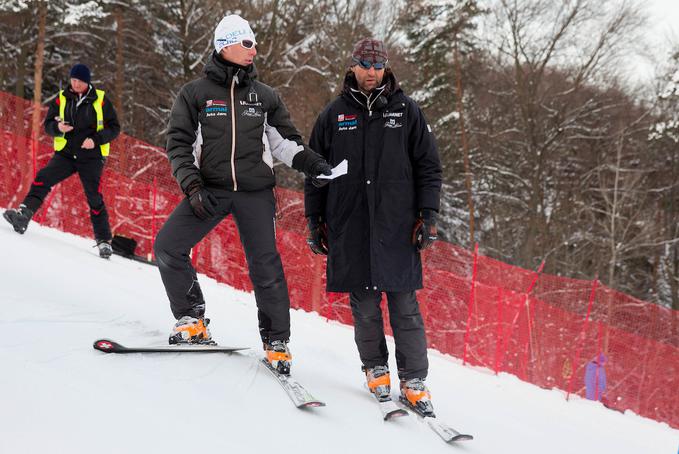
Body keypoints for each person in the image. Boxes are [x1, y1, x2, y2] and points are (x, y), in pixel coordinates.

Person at [154, 14, 331, 375]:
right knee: (168, 246)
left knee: (265, 266)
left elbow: (285, 143)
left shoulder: (264, 96)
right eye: (247, 43)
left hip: (255, 193)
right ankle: (192, 319)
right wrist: (192, 185)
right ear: (226, 46)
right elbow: (179, 145)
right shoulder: (195, 94)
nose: (255, 50)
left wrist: (312, 163)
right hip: (210, 190)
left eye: (254, 43)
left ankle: (276, 341)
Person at [304, 38, 442, 414]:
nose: (371, 72)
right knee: (364, 306)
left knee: (404, 306)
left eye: (378, 66)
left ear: (386, 68)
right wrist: (314, 220)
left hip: (397, 226)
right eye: (365, 64)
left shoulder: (407, 111)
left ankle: (413, 380)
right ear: (352, 66)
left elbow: (429, 166)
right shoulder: (334, 115)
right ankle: (375, 368)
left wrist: (428, 215)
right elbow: (315, 172)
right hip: (351, 225)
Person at [3, 64, 120, 258]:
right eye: (73, 80)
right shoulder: (62, 98)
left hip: (91, 156)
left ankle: (104, 241)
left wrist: (96, 140)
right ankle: (23, 215)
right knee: (42, 178)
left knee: (94, 197)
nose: (75, 84)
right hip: (66, 153)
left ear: (87, 82)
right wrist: (58, 128)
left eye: (80, 81)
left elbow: (114, 128)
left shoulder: (100, 99)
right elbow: (47, 125)